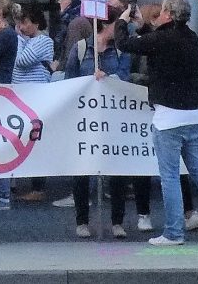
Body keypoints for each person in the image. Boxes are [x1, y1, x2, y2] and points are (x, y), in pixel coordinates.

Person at [119, 0, 198, 246]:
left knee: (170, 176)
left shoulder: (161, 39)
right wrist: (144, 26)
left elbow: (124, 43)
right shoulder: (191, 37)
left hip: (169, 115)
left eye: (163, 10)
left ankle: (174, 232)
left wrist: (123, 21)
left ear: (168, 14)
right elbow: (158, 40)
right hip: (195, 111)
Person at [71, 17, 148, 239]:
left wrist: (108, 78)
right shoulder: (81, 48)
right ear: (106, 25)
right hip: (86, 118)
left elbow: (125, 77)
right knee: (82, 170)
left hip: (114, 117)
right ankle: (82, 221)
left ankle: (117, 221)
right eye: (118, 25)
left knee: (117, 169)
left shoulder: (121, 51)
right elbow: (70, 80)